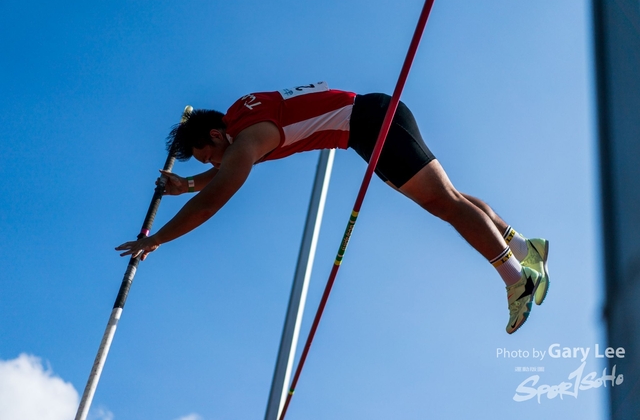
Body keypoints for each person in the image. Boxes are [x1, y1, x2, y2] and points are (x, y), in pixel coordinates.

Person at [115, 82, 549, 334]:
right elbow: (220, 173)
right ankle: (526, 249)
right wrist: (186, 183)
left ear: (215, 134)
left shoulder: (246, 140)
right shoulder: (243, 120)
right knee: (448, 198)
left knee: (444, 204)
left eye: (206, 155)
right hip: (370, 117)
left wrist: (157, 238)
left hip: (367, 122)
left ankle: (517, 279)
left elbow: (216, 196)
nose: (212, 163)